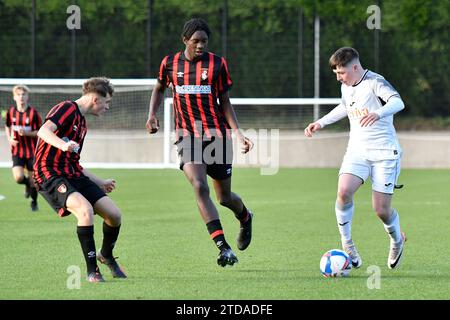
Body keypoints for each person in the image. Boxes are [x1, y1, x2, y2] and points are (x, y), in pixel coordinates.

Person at [146, 18, 254, 267]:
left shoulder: (218, 64)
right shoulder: (169, 63)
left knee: (224, 198)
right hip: (187, 136)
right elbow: (159, 88)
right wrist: (152, 115)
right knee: (198, 185)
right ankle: (223, 247)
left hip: (217, 136)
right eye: (196, 41)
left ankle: (246, 218)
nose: (200, 45)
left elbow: (225, 101)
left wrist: (238, 133)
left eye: (204, 41)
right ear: (185, 40)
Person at [304, 47, 406, 269]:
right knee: (343, 191)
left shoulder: (374, 82)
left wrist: (377, 113)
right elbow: (344, 107)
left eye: (341, 73)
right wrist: (321, 122)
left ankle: (397, 240)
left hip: (385, 153)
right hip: (357, 151)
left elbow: (398, 102)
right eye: (337, 74)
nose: (339, 78)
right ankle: (347, 243)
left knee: (381, 210)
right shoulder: (346, 87)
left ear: (355, 67)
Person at [33, 77, 127, 282]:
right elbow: (43, 131)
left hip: (71, 174)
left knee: (114, 215)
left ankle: (106, 255)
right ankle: (92, 271)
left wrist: (99, 181)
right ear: (95, 99)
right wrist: (62, 145)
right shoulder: (67, 108)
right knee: (85, 210)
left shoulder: (82, 124)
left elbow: (75, 164)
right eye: (107, 102)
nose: (108, 107)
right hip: (49, 173)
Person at [4, 85, 42, 211]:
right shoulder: (10, 112)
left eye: (23, 94)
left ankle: (34, 202)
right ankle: (26, 185)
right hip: (17, 151)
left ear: (27, 97)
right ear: (14, 97)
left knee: (34, 182)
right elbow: (8, 126)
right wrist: (9, 138)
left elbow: (40, 132)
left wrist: (26, 133)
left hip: (32, 152)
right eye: (19, 95)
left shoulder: (34, 114)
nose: (21, 97)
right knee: (19, 177)